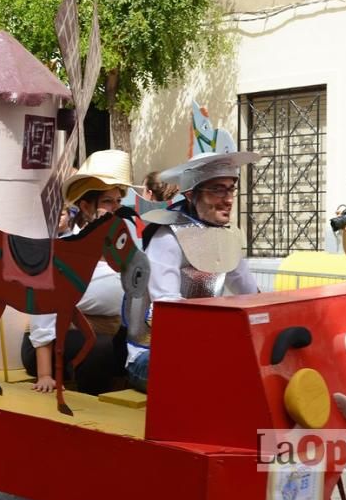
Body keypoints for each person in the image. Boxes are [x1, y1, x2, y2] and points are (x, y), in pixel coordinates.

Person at [126, 150, 261, 392]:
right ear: (191, 194)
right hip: (151, 354)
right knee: (212, 378)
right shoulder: (168, 235)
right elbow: (167, 310)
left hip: (202, 348)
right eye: (217, 189)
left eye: (230, 189)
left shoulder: (227, 236)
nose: (228, 199)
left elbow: (252, 296)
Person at [20, 150, 132, 396]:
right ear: (85, 206)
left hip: (104, 334)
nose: (115, 209)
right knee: (99, 347)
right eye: (107, 202)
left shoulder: (123, 248)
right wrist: (45, 375)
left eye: (117, 202)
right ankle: (91, 409)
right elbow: (44, 314)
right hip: (46, 345)